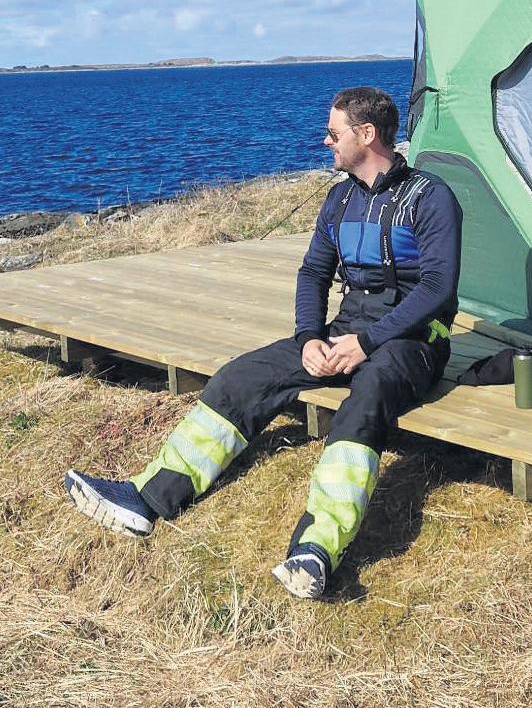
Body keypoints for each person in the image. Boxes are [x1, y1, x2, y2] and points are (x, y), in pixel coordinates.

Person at [64, 86, 463, 599]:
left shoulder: (430, 197)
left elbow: (437, 287)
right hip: (346, 331)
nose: (326, 141)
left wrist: (368, 344)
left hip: (414, 340)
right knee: (242, 376)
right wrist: (309, 337)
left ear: (367, 135)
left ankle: (317, 549)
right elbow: (313, 272)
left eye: (334, 133)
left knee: (366, 400)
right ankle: (147, 498)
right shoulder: (339, 198)